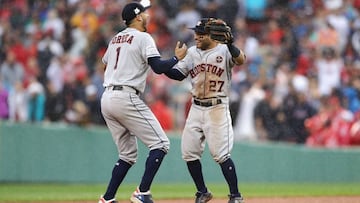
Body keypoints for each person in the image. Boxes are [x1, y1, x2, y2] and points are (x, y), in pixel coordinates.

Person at [98, 2, 187, 203]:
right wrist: (176, 58)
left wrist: (177, 72)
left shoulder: (115, 39)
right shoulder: (143, 37)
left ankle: (107, 198)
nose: (148, 16)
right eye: (145, 13)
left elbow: (105, 63)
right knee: (161, 144)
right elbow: (157, 67)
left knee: (127, 155)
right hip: (126, 96)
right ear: (138, 17)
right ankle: (142, 192)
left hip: (107, 97)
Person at [164, 18, 246, 203]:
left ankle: (235, 195)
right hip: (196, 107)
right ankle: (202, 192)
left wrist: (231, 44)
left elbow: (241, 60)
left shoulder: (224, 50)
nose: (196, 37)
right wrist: (162, 65)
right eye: (196, 33)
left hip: (217, 107)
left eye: (200, 34)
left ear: (212, 35)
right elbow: (178, 74)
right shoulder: (192, 52)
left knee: (221, 154)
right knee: (188, 152)